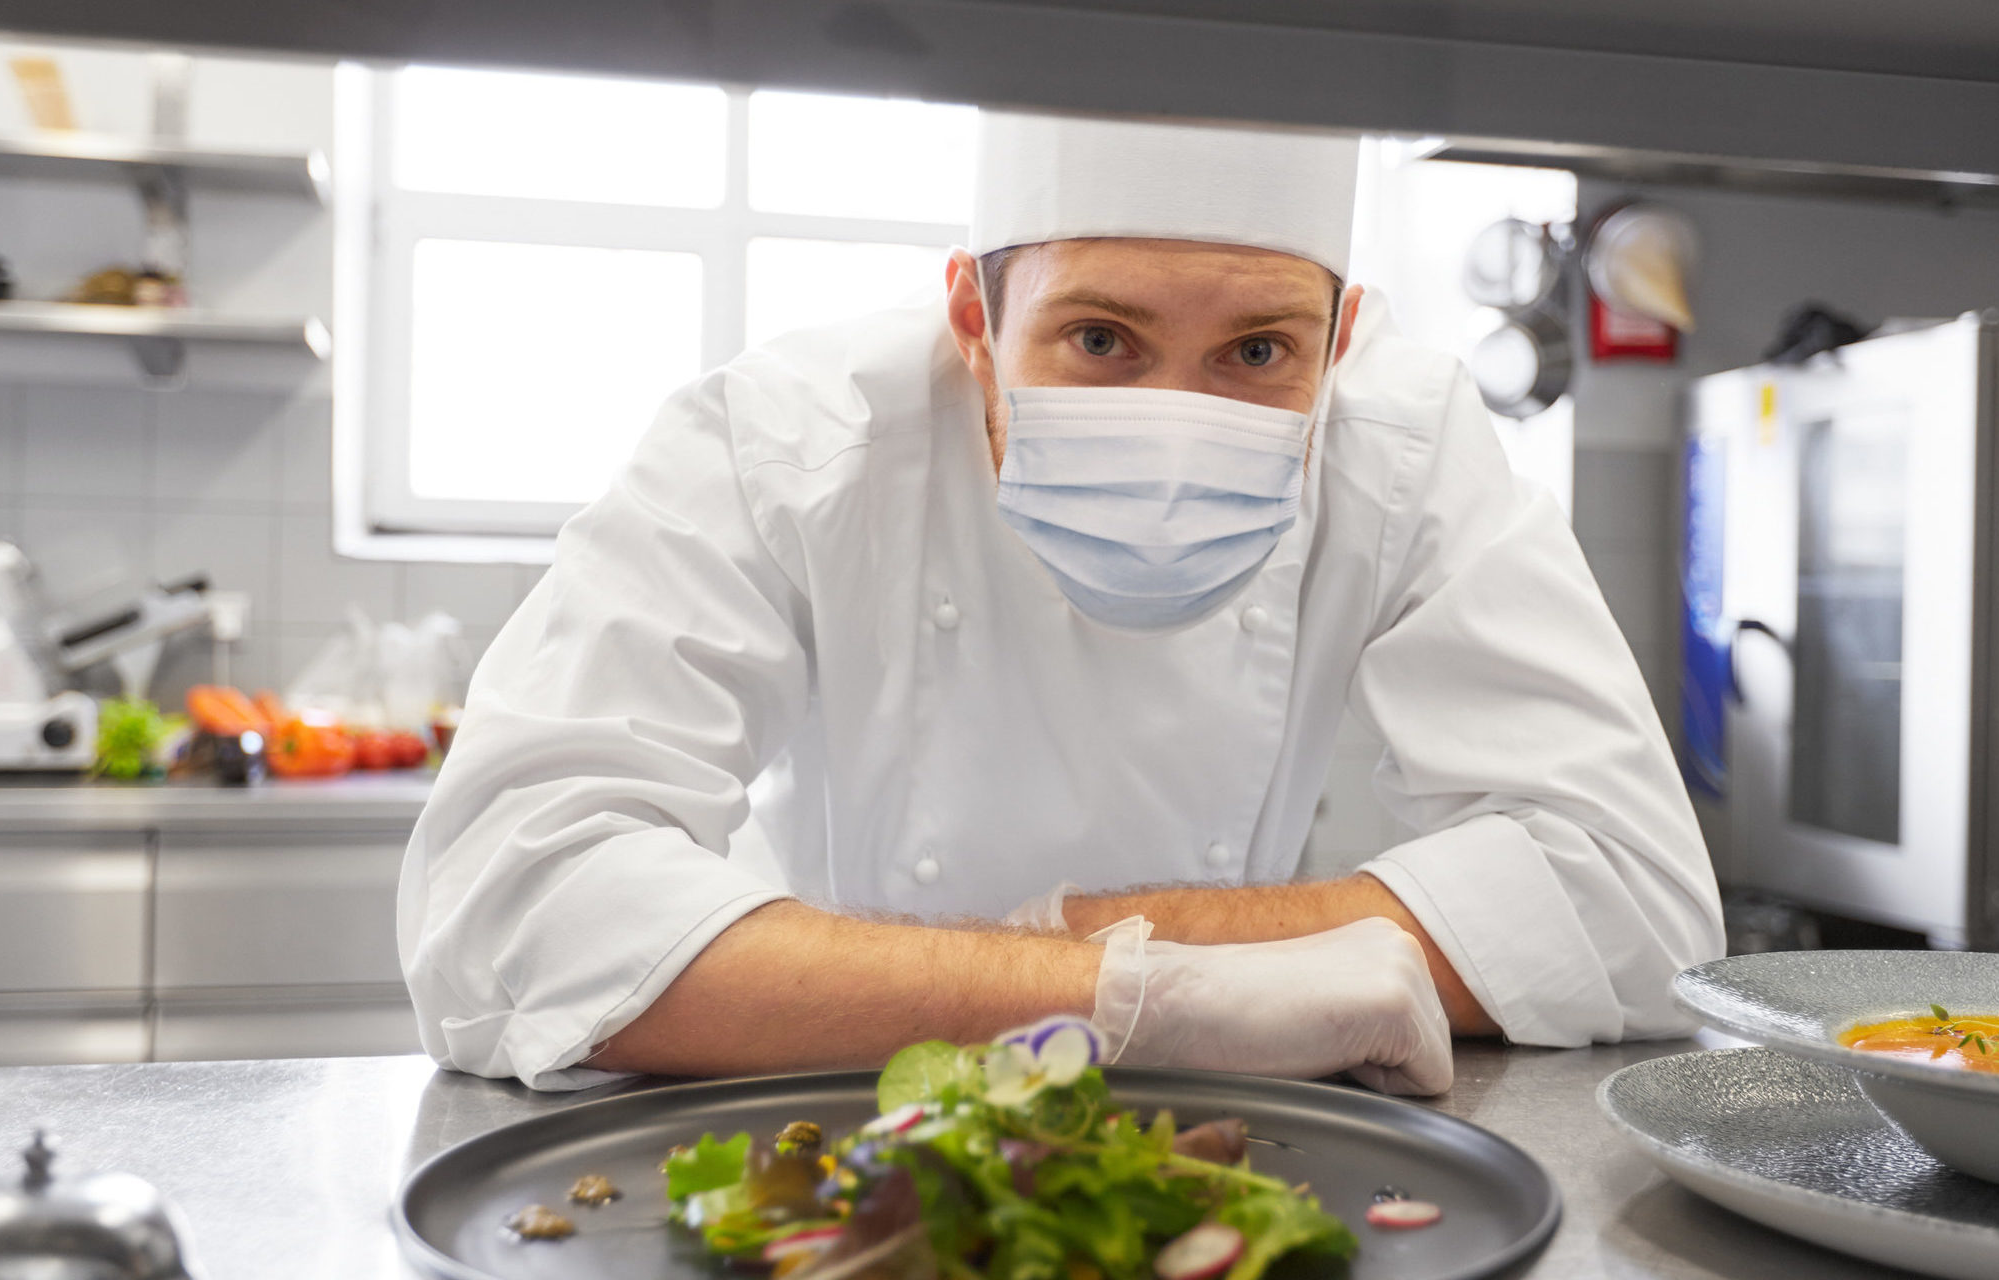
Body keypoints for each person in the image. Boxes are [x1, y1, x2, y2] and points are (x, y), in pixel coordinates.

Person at [399, 111, 1722, 1096]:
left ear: (1344, 333)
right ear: (974, 315)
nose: (1177, 425)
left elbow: (1635, 902)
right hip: (846, 1118)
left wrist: (1123, 978)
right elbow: (507, 900)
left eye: (1258, 352)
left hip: (1221, 1130)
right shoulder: (787, 439)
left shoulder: (1403, 440)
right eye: (1102, 341)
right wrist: (1136, 992)